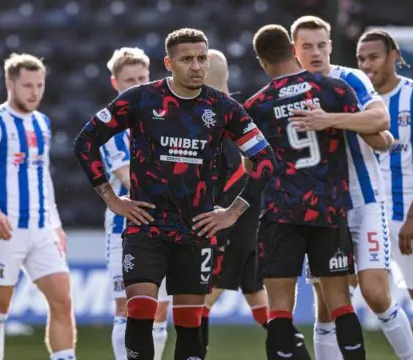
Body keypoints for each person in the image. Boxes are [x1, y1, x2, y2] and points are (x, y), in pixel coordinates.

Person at [74, 28, 276, 360]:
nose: (196, 66)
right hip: (146, 227)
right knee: (138, 311)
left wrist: (233, 211)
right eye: (187, 59)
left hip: (196, 230)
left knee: (188, 324)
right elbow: (85, 141)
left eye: (201, 58)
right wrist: (111, 198)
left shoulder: (221, 107)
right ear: (169, 63)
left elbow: (265, 159)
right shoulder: (140, 99)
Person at [289, 15, 413, 360]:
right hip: (320, 209)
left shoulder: (350, 79)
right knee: (328, 304)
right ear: (294, 50)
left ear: (331, 46)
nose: (316, 52)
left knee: (376, 294)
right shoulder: (288, 91)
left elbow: (381, 121)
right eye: (307, 46)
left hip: (366, 202)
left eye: (321, 45)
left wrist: (329, 120)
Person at [245, 24, 366, 360]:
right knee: (340, 303)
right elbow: (365, 128)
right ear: (292, 49)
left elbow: (251, 167)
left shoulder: (257, 106)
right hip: (328, 210)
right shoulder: (334, 90)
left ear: (262, 61)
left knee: (280, 309)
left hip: (280, 214)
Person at [200, 49, 310, 360]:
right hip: (252, 226)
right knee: (260, 301)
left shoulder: (217, 121)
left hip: (229, 230)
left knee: (199, 303)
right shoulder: (240, 115)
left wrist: (221, 222)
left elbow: (236, 175)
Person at [0, 53, 76, 360]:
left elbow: (42, 175)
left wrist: (55, 223)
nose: (34, 92)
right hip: (6, 229)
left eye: (39, 85)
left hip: (42, 229)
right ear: (10, 84)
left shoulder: (42, 123)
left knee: (63, 301)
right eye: (27, 85)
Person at [357, 29, 413, 360]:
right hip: (366, 214)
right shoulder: (355, 99)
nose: (367, 65)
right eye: (361, 59)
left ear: (394, 55)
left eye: (374, 57)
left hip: (410, 215)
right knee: (357, 297)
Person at [101, 47, 171, 360]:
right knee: (126, 307)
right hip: (124, 229)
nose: (138, 85)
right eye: (130, 80)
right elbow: (132, 181)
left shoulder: (167, 119)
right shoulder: (110, 127)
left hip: (169, 226)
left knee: (160, 310)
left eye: (142, 78)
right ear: (115, 83)